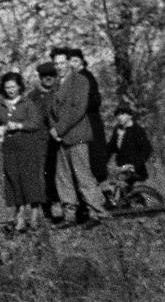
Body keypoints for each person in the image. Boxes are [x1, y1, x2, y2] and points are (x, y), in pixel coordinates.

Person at [47, 45, 111, 227]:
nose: (59, 66)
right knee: (63, 178)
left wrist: (58, 129)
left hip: (77, 135)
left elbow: (78, 109)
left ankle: (97, 212)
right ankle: (70, 216)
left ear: (68, 62)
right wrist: (54, 130)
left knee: (83, 175)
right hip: (60, 139)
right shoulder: (55, 84)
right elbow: (51, 112)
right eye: (56, 63)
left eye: (62, 62)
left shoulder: (80, 81)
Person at [0, 71, 48, 231]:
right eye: (7, 87)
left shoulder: (27, 103)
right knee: (14, 180)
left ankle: (35, 215)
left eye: (13, 87)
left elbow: (36, 123)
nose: (10, 90)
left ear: (19, 87)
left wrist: (19, 125)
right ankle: (20, 216)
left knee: (30, 180)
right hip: (9, 148)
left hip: (27, 146)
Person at [27, 61, 63, 221]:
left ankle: (64, 206)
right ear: (40, 78)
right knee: (43, 175)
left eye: (51, 76)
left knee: (61, 173)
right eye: (44, 76)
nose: (48, 79)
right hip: (40, 142)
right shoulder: (32, 97)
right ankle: (47, 210)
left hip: (60, 140)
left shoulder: (61, 92)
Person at [108, 104, 153, 186]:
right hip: (121, 168)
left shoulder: (137, 130)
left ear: (129, 115)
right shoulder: (117, 129)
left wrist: (134, 165)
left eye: (122, 114)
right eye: (117, 115)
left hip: (135, 170)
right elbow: (110, 148)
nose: (119, 117)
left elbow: (147, 149)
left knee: (125, 191)